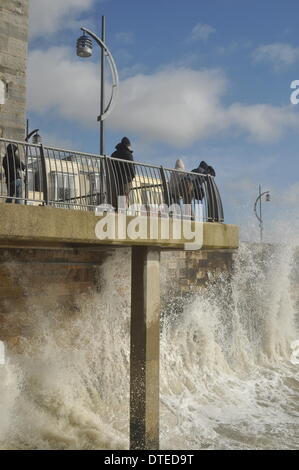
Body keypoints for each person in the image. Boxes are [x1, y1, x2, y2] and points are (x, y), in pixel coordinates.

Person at [108, 137, 135, 211]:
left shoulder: (113, 154)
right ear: (128, 145)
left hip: (115, 180)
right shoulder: (128, 154)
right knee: (123, 197)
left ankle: (115, 213)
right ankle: (121, 214)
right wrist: (132, 176)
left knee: (115, 198)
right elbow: (131, 168)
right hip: (126, 180)